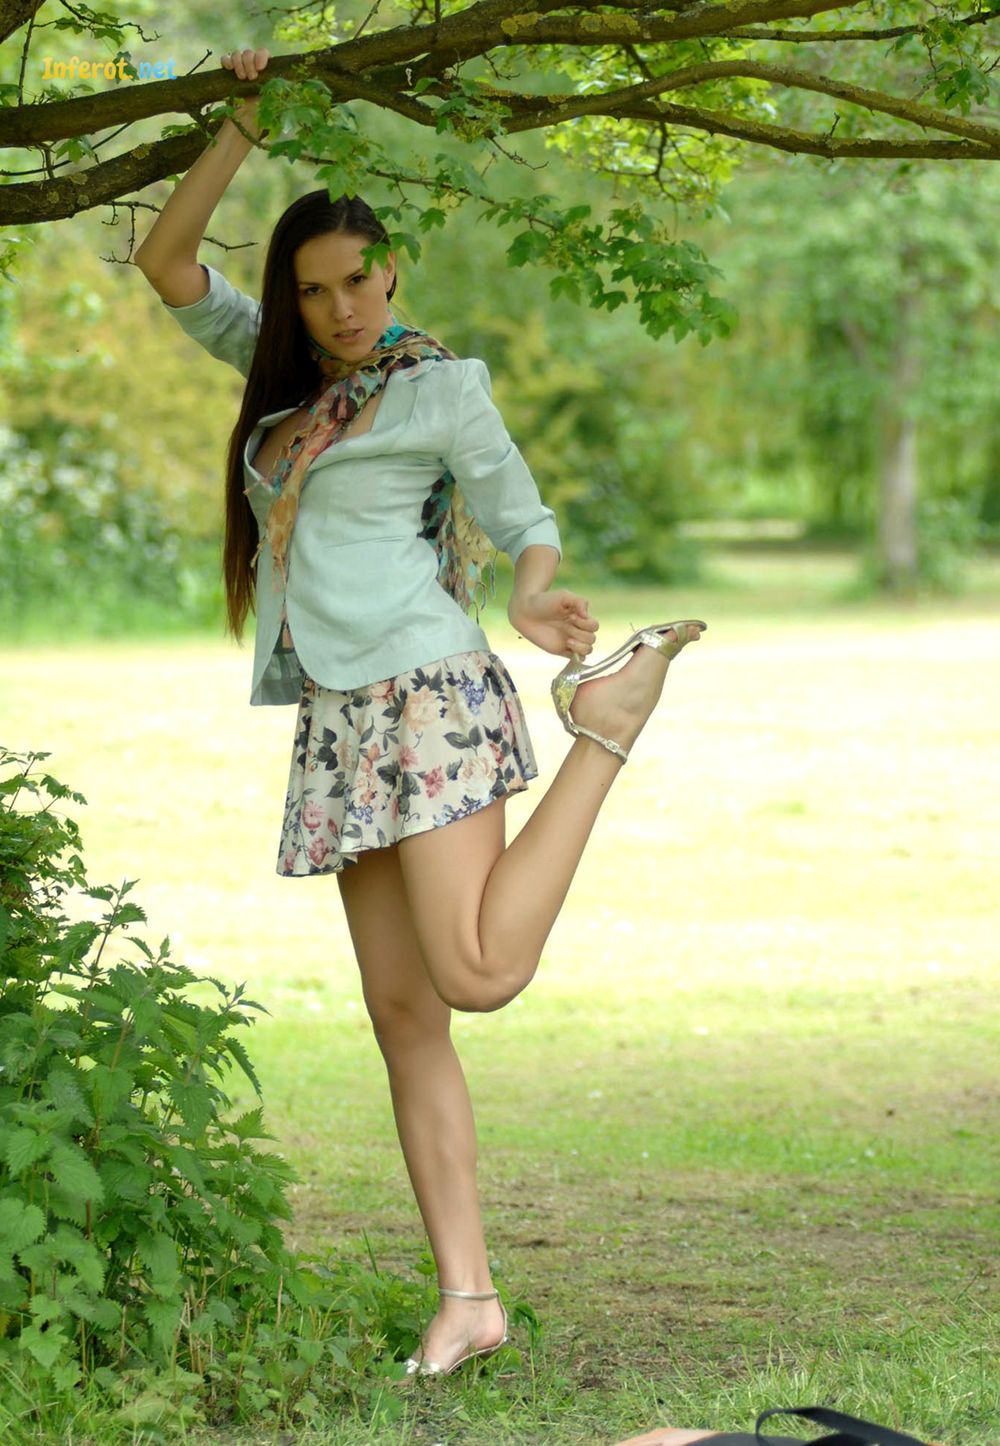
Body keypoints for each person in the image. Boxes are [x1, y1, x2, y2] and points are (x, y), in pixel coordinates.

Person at [133, 44, 706, 1378]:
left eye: (356, 279)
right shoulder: (283, 376)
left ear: (391, 271)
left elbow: (523, 516)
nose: (338, 306)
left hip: (429, 691)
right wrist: (239, 125)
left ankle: (607, 727)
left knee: (478, 973)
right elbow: (165, 261)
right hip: (340, 719)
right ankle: (469, 1298)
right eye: (313, 287)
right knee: (405, 1013)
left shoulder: (440, 383)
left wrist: (538, 595)